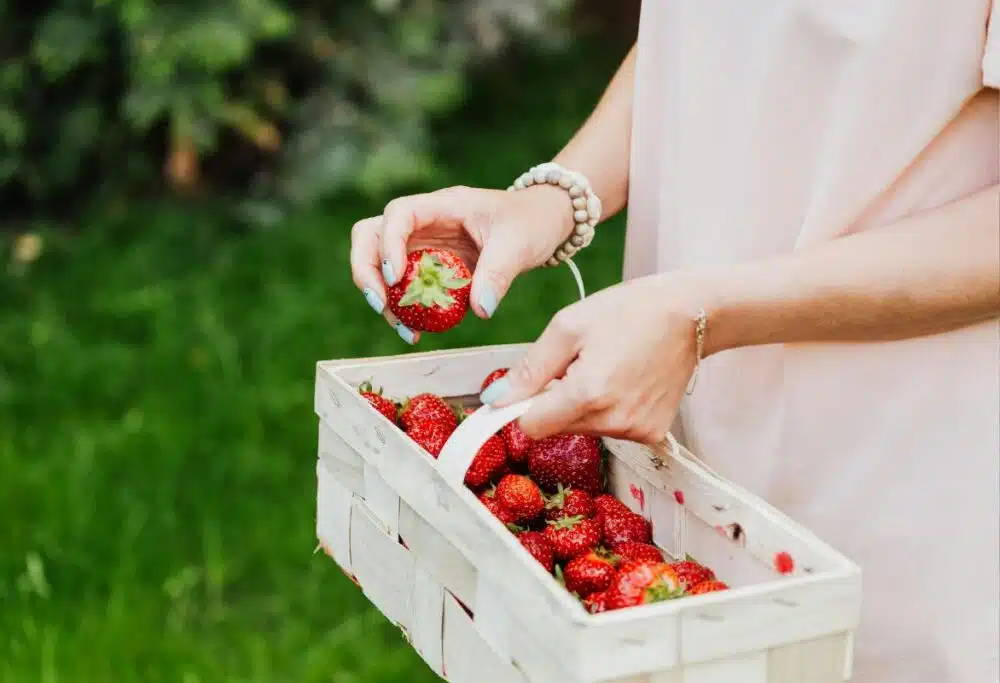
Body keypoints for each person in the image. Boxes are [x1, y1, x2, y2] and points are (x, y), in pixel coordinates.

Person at [350, 1, 1000, 681]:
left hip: (891, 463)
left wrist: (705, 313)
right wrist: (553, 198)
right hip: (671, 417)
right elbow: (711, 44)